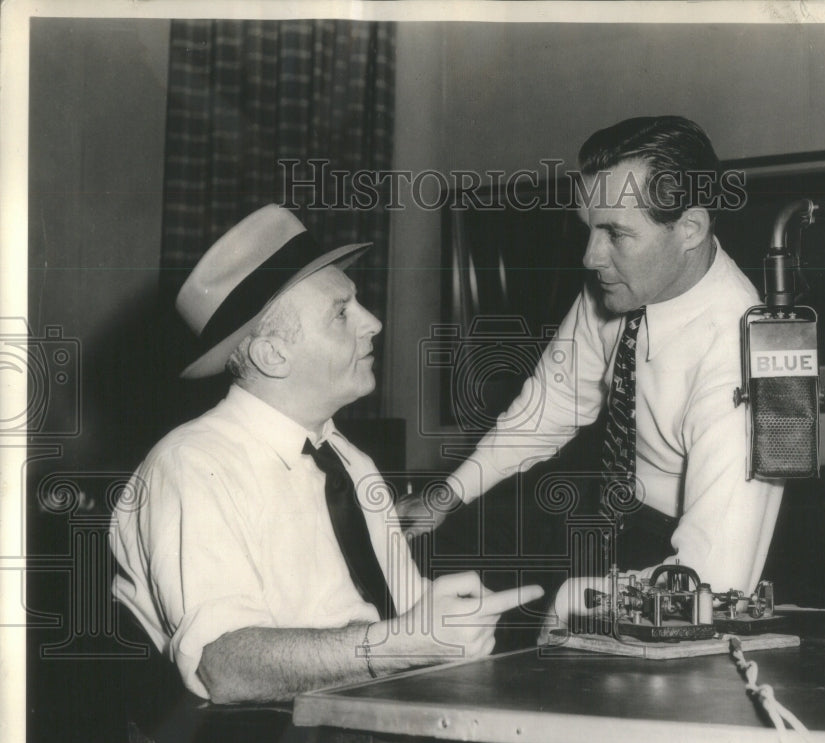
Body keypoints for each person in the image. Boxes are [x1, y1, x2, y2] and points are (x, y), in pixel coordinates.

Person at [110, 204, 541, 705]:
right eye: (341, 313)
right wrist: (397, 645)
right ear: (272, 355)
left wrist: (449, 621)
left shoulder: (349, 461)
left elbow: (400, 619)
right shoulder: (191, 466)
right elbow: (223, 667)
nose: (374, 323)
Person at [399, 116, 784, 601]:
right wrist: (447, 496)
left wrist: (571, 607)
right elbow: (551, 405)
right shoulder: (622, 284)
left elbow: (713, 579)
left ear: (690, 228)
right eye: (588, 229)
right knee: (424, 563)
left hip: (680, 552)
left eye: (615, 234)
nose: (590, 257)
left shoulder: (743, 358)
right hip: (603, 513)